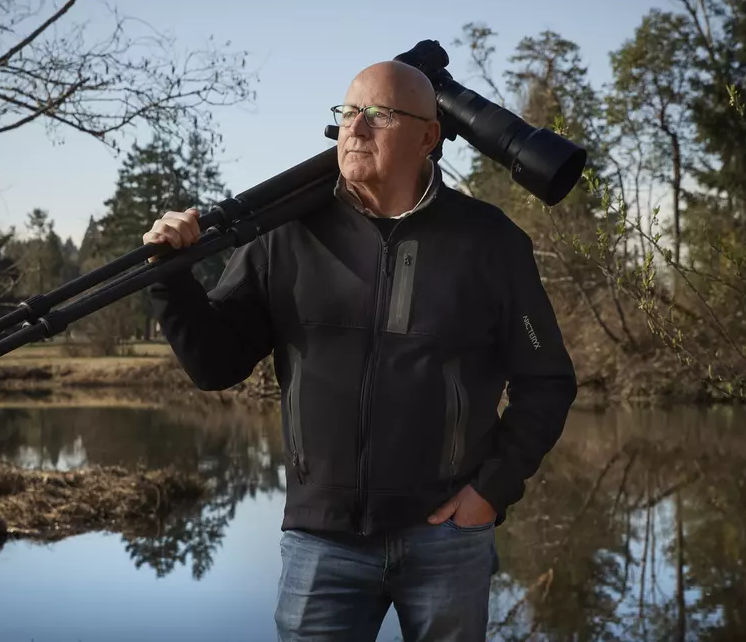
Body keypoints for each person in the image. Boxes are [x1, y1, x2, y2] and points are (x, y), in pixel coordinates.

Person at [144, 60, 577, 641]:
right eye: (348, 113)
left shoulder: (491, 242)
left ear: (429, 136)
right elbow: (215, 364)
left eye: (378, 114)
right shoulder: (287, 234)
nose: (355, 128)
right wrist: (171, 280)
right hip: (320, 542)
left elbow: (546, 381)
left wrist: (490, 491)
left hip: (446, 536)